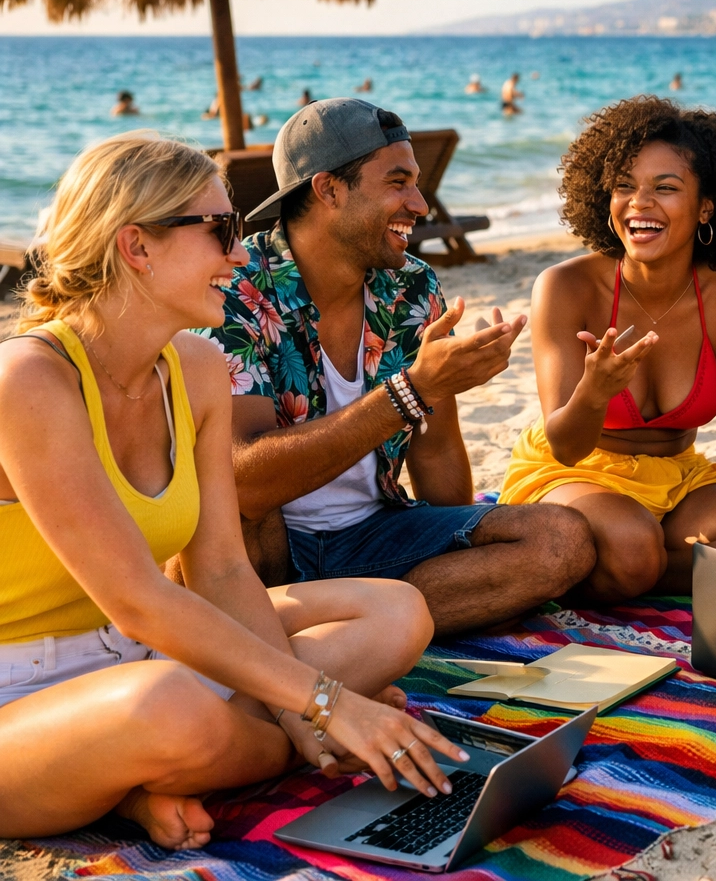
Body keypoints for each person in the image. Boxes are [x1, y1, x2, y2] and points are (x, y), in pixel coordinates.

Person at [0, 133, 469, 849]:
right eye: (222, 232)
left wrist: (300, 710)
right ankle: (141, 783)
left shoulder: (194, 368)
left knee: (397, 611)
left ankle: (148, 777)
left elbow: (218, 568)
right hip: (21, 690)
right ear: (137, 246)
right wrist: (327, 707)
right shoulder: (29, 381)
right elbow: (137, 598)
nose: (243, 255)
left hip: (133, 657)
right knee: (171, 709)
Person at [199, 99, 595, 632]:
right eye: (398, 183)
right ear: (328, 190)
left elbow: (436, 449)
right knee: (237, 513)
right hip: (264, 553)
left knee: (561, 541)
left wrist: (460, 535)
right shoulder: (240, 290)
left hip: (374, 535)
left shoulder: (411, 286)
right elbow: (244, 481)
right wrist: (408, 391)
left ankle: (347, 619)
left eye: (417, 183)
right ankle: (352, 619)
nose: (420, 204)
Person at [500, 97, 716, 600]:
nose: (639, 203)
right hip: (576, 474)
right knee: (633, 543)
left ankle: (634, 567)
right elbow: (566, 445)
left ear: (706, 204)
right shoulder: (564, 287)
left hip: (679, 481)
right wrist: (594, 393)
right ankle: (640, 559)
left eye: (665, 188)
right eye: (624, 187)